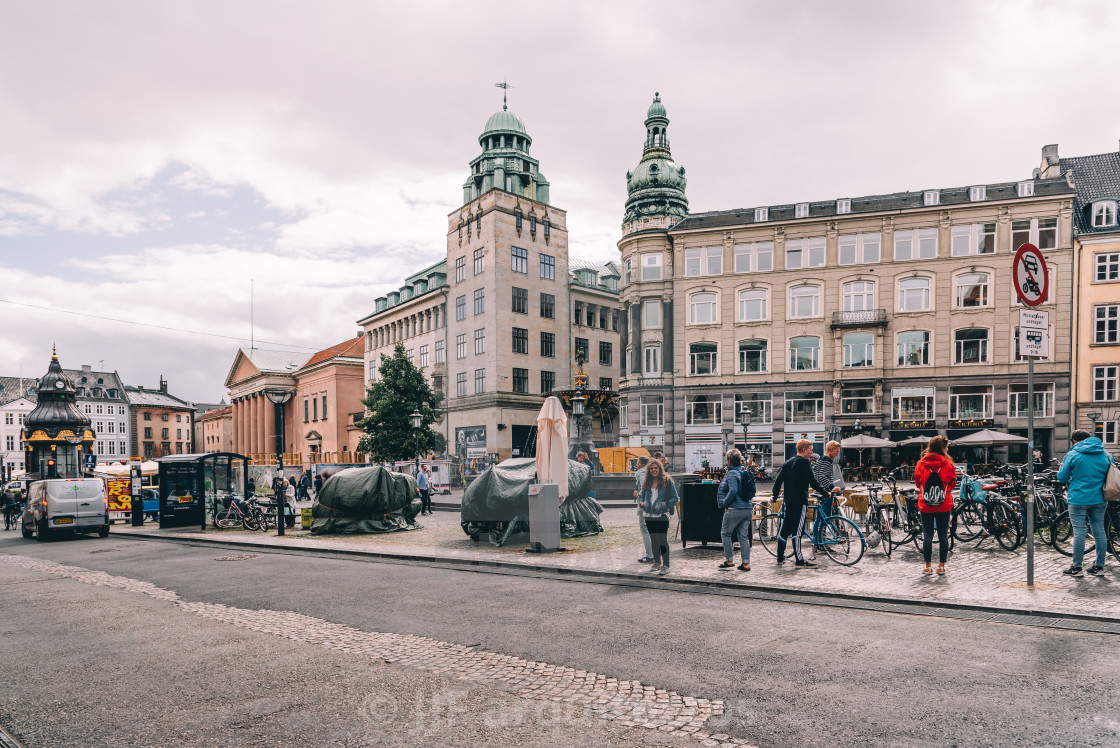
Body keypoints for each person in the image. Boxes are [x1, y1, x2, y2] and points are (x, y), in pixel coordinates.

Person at [1057, 430, 1113, 577]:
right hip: (1100, 498)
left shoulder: (1073, 454)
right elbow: (1112, 472)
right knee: (1099, 531)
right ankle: (1099, 567)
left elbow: (1062, 477)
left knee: (1079, 531)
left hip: (1078, 498)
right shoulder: (1106, 454)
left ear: (1075, 441)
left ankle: (1077, 568)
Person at [770, 440, 831, 567]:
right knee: (798, 531)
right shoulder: (804, 462)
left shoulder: (788, 462)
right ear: (804, 449)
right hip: (800, 501)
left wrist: (774, 496)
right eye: (810, 449)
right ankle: (799, 560)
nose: (812, 452)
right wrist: (826, 493)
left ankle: (780, 557)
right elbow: (813, 482)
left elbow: (778, 481)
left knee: (785, 531)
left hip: (789, 501)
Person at [913, 435, 956, 575]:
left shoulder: (921, 463)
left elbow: (918, 484)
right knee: (943, 535)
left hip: (925, 504)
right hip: (944, 504)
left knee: (928, 535)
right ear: (943, 448)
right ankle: (941, 566)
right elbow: (953, 483)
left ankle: (928, 566)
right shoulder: (948, 464)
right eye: (946, 446)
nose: (948, 448)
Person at [638, 460, 679, 576]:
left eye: (655, 468)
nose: (653, 470)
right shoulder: (647, 482)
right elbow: (640, 496)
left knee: (662, 540)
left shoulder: (667, 481)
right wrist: (642, 503)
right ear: (648, 471)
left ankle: (666, 565)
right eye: (651, 469)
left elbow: (675, 498)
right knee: (653, 540)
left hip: (661, 515)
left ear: (660, 468)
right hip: (648, 515)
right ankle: (656, 562)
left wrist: (664, 505)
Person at [716, 448, 754, 571]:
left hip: (734, 508)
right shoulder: (744, 472)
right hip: (747, 508)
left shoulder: (732, 473)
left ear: (730, 461)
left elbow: (733, 490)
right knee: (743, 536)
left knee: (725, 534)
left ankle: (729, 560)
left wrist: (724, 503)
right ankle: (746, 563)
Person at [811, 441, 845, 544]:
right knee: (824, 519)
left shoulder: (821, 459)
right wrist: (832, 487)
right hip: (826, 493)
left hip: (822, 491)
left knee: (820, 518)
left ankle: (818, 541)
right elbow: (821, 476)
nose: (837, 454)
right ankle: (821, 541)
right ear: (831, 449)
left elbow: (818, 475)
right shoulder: (827, 460)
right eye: (837, 451)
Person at [633, 456, 654, 563]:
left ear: (642, 464)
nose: (636, 465)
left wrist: (638, 495)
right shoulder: (651, 472)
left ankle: (650, 555)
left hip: (645, 505)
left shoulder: (642, 473)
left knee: (645, 530)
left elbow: (645, 489)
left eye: (637, 462)